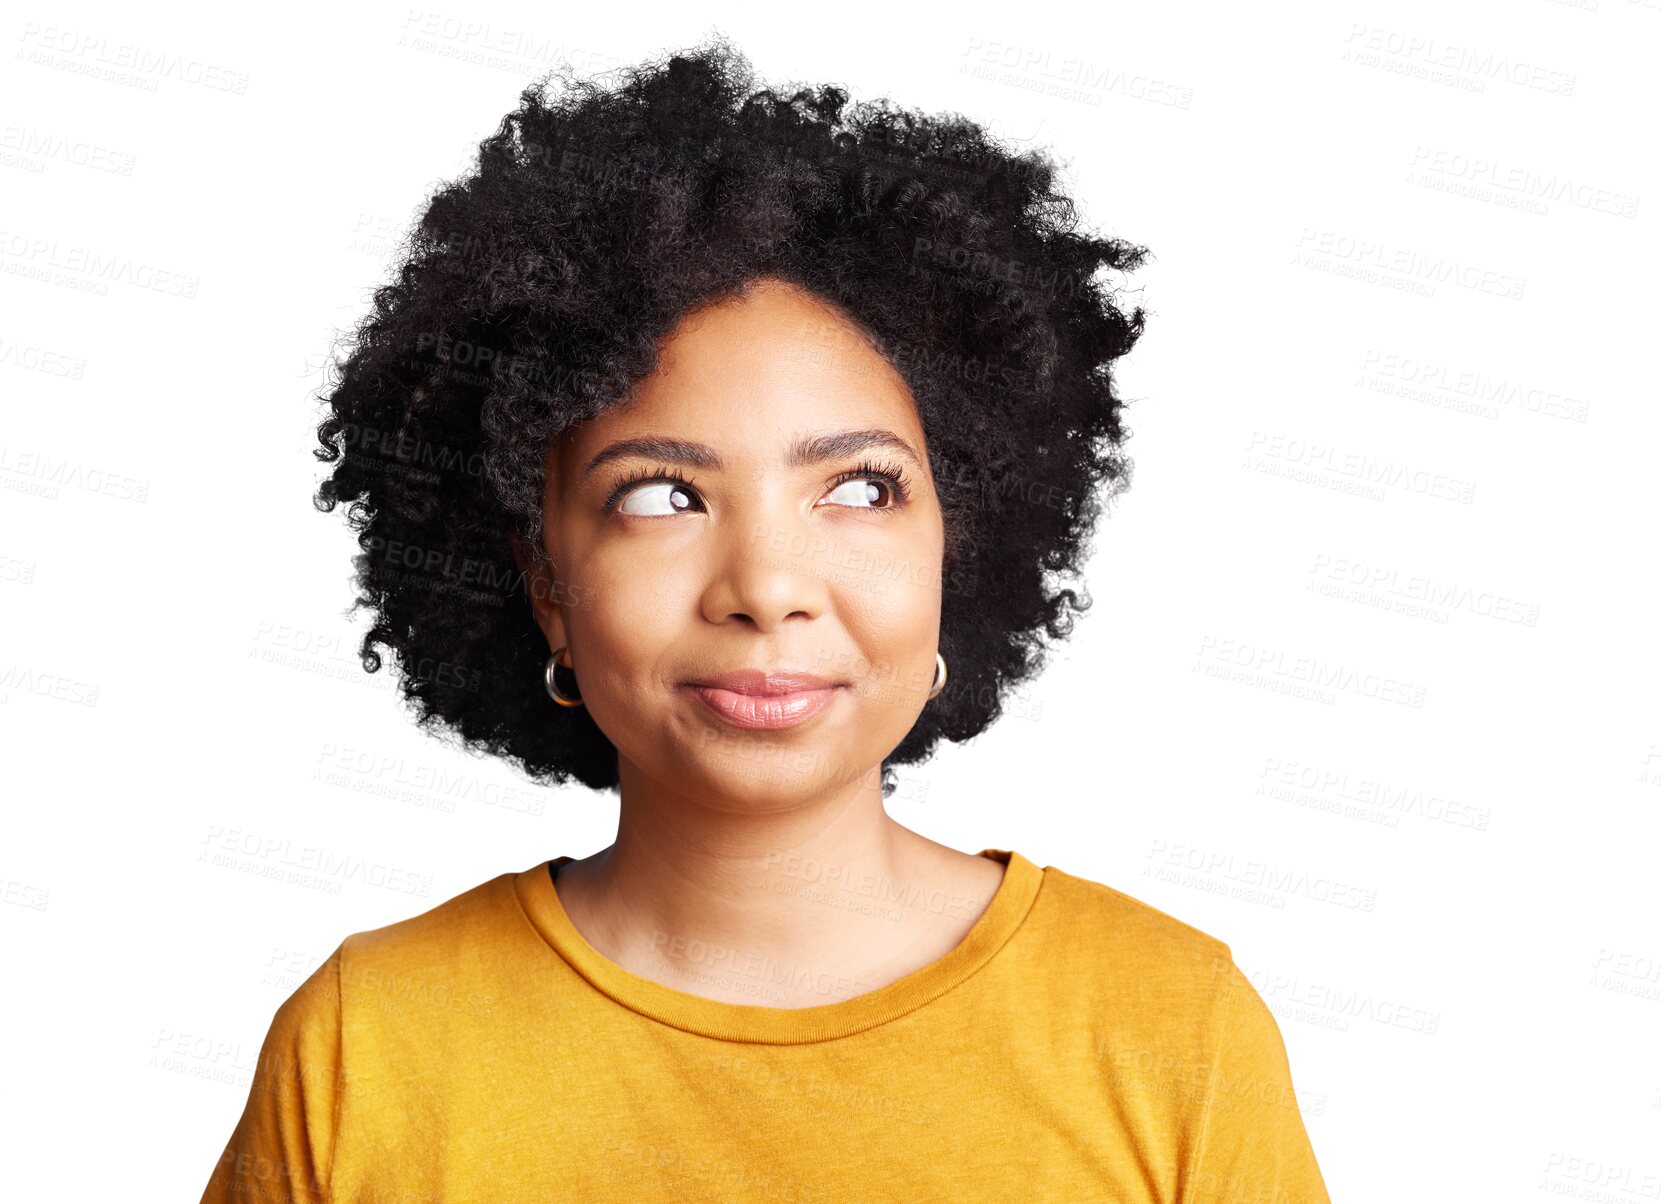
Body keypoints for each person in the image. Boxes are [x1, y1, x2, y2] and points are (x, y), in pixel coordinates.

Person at [201, 34, 1330, 1202]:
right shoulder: (367, 1046)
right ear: (544, 582)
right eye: (660, 495)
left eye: (857, 487)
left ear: (963, 543)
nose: (767, 584)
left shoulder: (1167, 1028)